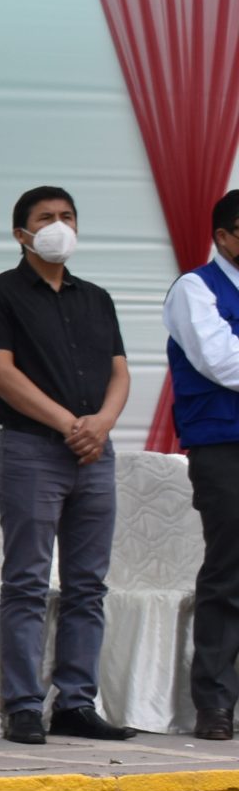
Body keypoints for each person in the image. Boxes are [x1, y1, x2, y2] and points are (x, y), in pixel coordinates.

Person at [0, 185, 134, 746]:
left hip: (95, 452)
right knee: (27, 581)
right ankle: (21, 703)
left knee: (88, 585)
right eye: (46, 219)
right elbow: (0, 373)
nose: (59, 225)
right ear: (22, 234)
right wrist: (71, 424)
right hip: (34, 449)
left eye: (67, 217)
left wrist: (103, 424)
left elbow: (119, 371)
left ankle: (76, 703)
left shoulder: (97, 297)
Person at [165, 188, 239, 742]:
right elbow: (220, 361)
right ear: (223, 235)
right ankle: (214, 701)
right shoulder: (195, 288)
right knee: (230, 571)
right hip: (223, 445)